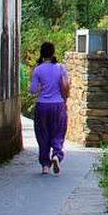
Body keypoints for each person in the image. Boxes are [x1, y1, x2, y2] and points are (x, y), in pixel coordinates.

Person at [29, 42, 70, 175]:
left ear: (42, 53)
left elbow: (33, 90)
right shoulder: (60, 68)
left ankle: (45, 166)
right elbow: (66, 86)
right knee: (58, 132)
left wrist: (42, 86)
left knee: (43, 134)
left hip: (42, 106)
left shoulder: (38, 70)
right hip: (58, 105)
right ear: (53, 53)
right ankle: (57, 156)